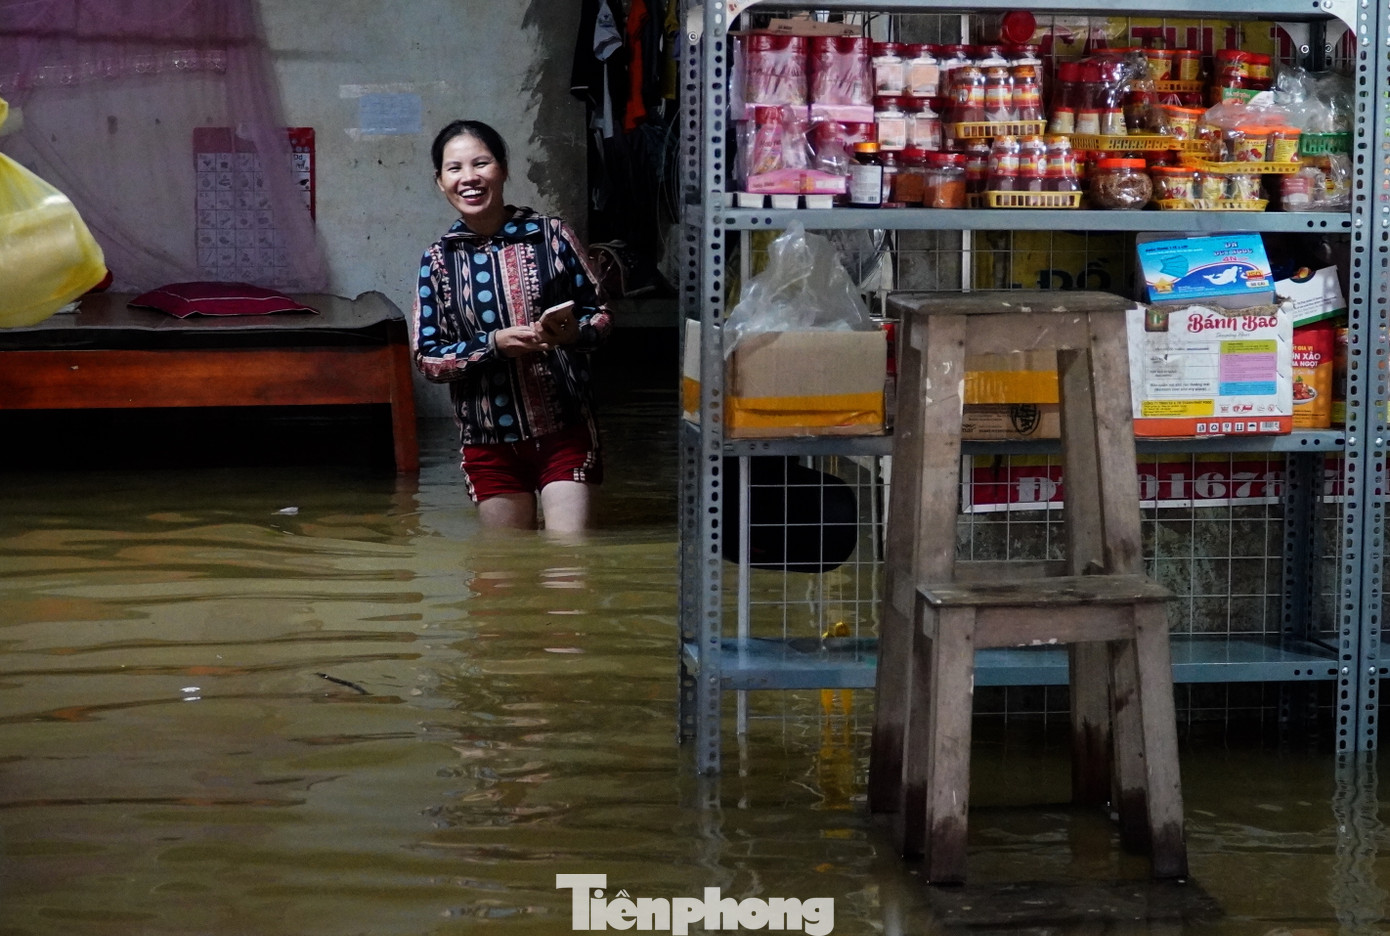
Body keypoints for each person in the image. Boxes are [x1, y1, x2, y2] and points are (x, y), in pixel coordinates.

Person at [410, 119, 613, 532]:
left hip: (564, 430)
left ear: (502, 169)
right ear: (440, 182)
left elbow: (601, 312)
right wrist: (494, 345)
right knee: (502, 576)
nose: (469, 178)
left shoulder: (551, 237)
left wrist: (575, 333)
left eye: (481, 163)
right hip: (488, 444)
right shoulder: (437, 261)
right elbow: (428, 358)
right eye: (454, 168)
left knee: (569, 566)